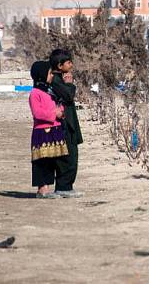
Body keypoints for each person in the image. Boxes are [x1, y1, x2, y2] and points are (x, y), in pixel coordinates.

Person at [29, 60, 67, 199]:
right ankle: (41, 188)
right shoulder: (35, 93)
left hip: (55, 129)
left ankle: (48, 187)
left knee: (52, 160)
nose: (51, 76)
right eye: (50, 73)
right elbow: (37, 113)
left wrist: (61, 112)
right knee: (42, 161)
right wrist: (54, 114)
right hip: (42, 131)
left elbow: (59, 105)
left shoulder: (50, 91)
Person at [50, 48, 84, 198]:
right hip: (64, 125)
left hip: (69, 123)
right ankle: (63, 187)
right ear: (59, 65)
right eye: (68, 63)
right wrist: (69, 84)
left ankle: (67, 186)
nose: (71, 65)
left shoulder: (59, 78)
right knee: (67, 157)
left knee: (72, 155)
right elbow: (68, 96)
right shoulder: (56, 81)